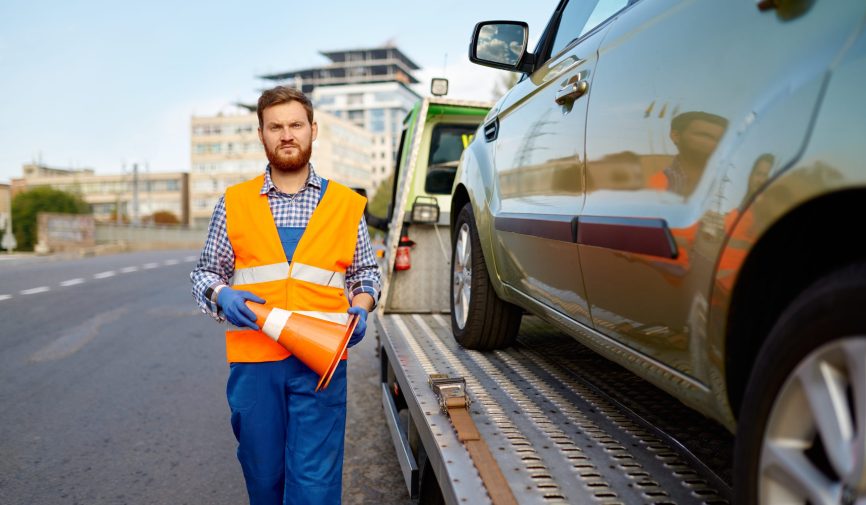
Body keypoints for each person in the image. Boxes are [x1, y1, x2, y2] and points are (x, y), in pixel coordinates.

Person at [190, 86, 381, 505]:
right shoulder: (234, 202)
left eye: (296, 124)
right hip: (255, 363)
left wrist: (362, 307)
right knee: (264, 478)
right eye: (275, 127)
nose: (287, 134)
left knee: (315, 484)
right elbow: (205, 271)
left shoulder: (347, 205)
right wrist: (222, 295)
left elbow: (365, 274)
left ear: (313, 130)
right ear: (261, 134)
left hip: (322, 360)